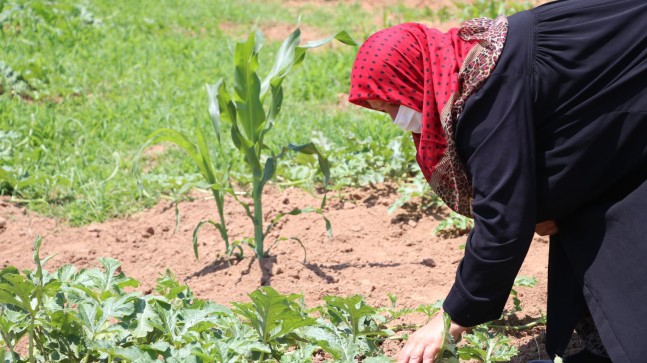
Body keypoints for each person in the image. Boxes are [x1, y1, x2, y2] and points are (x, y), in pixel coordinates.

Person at [348, 0, 647, 362]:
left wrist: (450, 320)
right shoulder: (481, 59)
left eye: (393, 105)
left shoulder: (488, 91)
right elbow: (564, 138)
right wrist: (551, 200)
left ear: (415, 76)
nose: (397, 119)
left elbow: (502, 220)